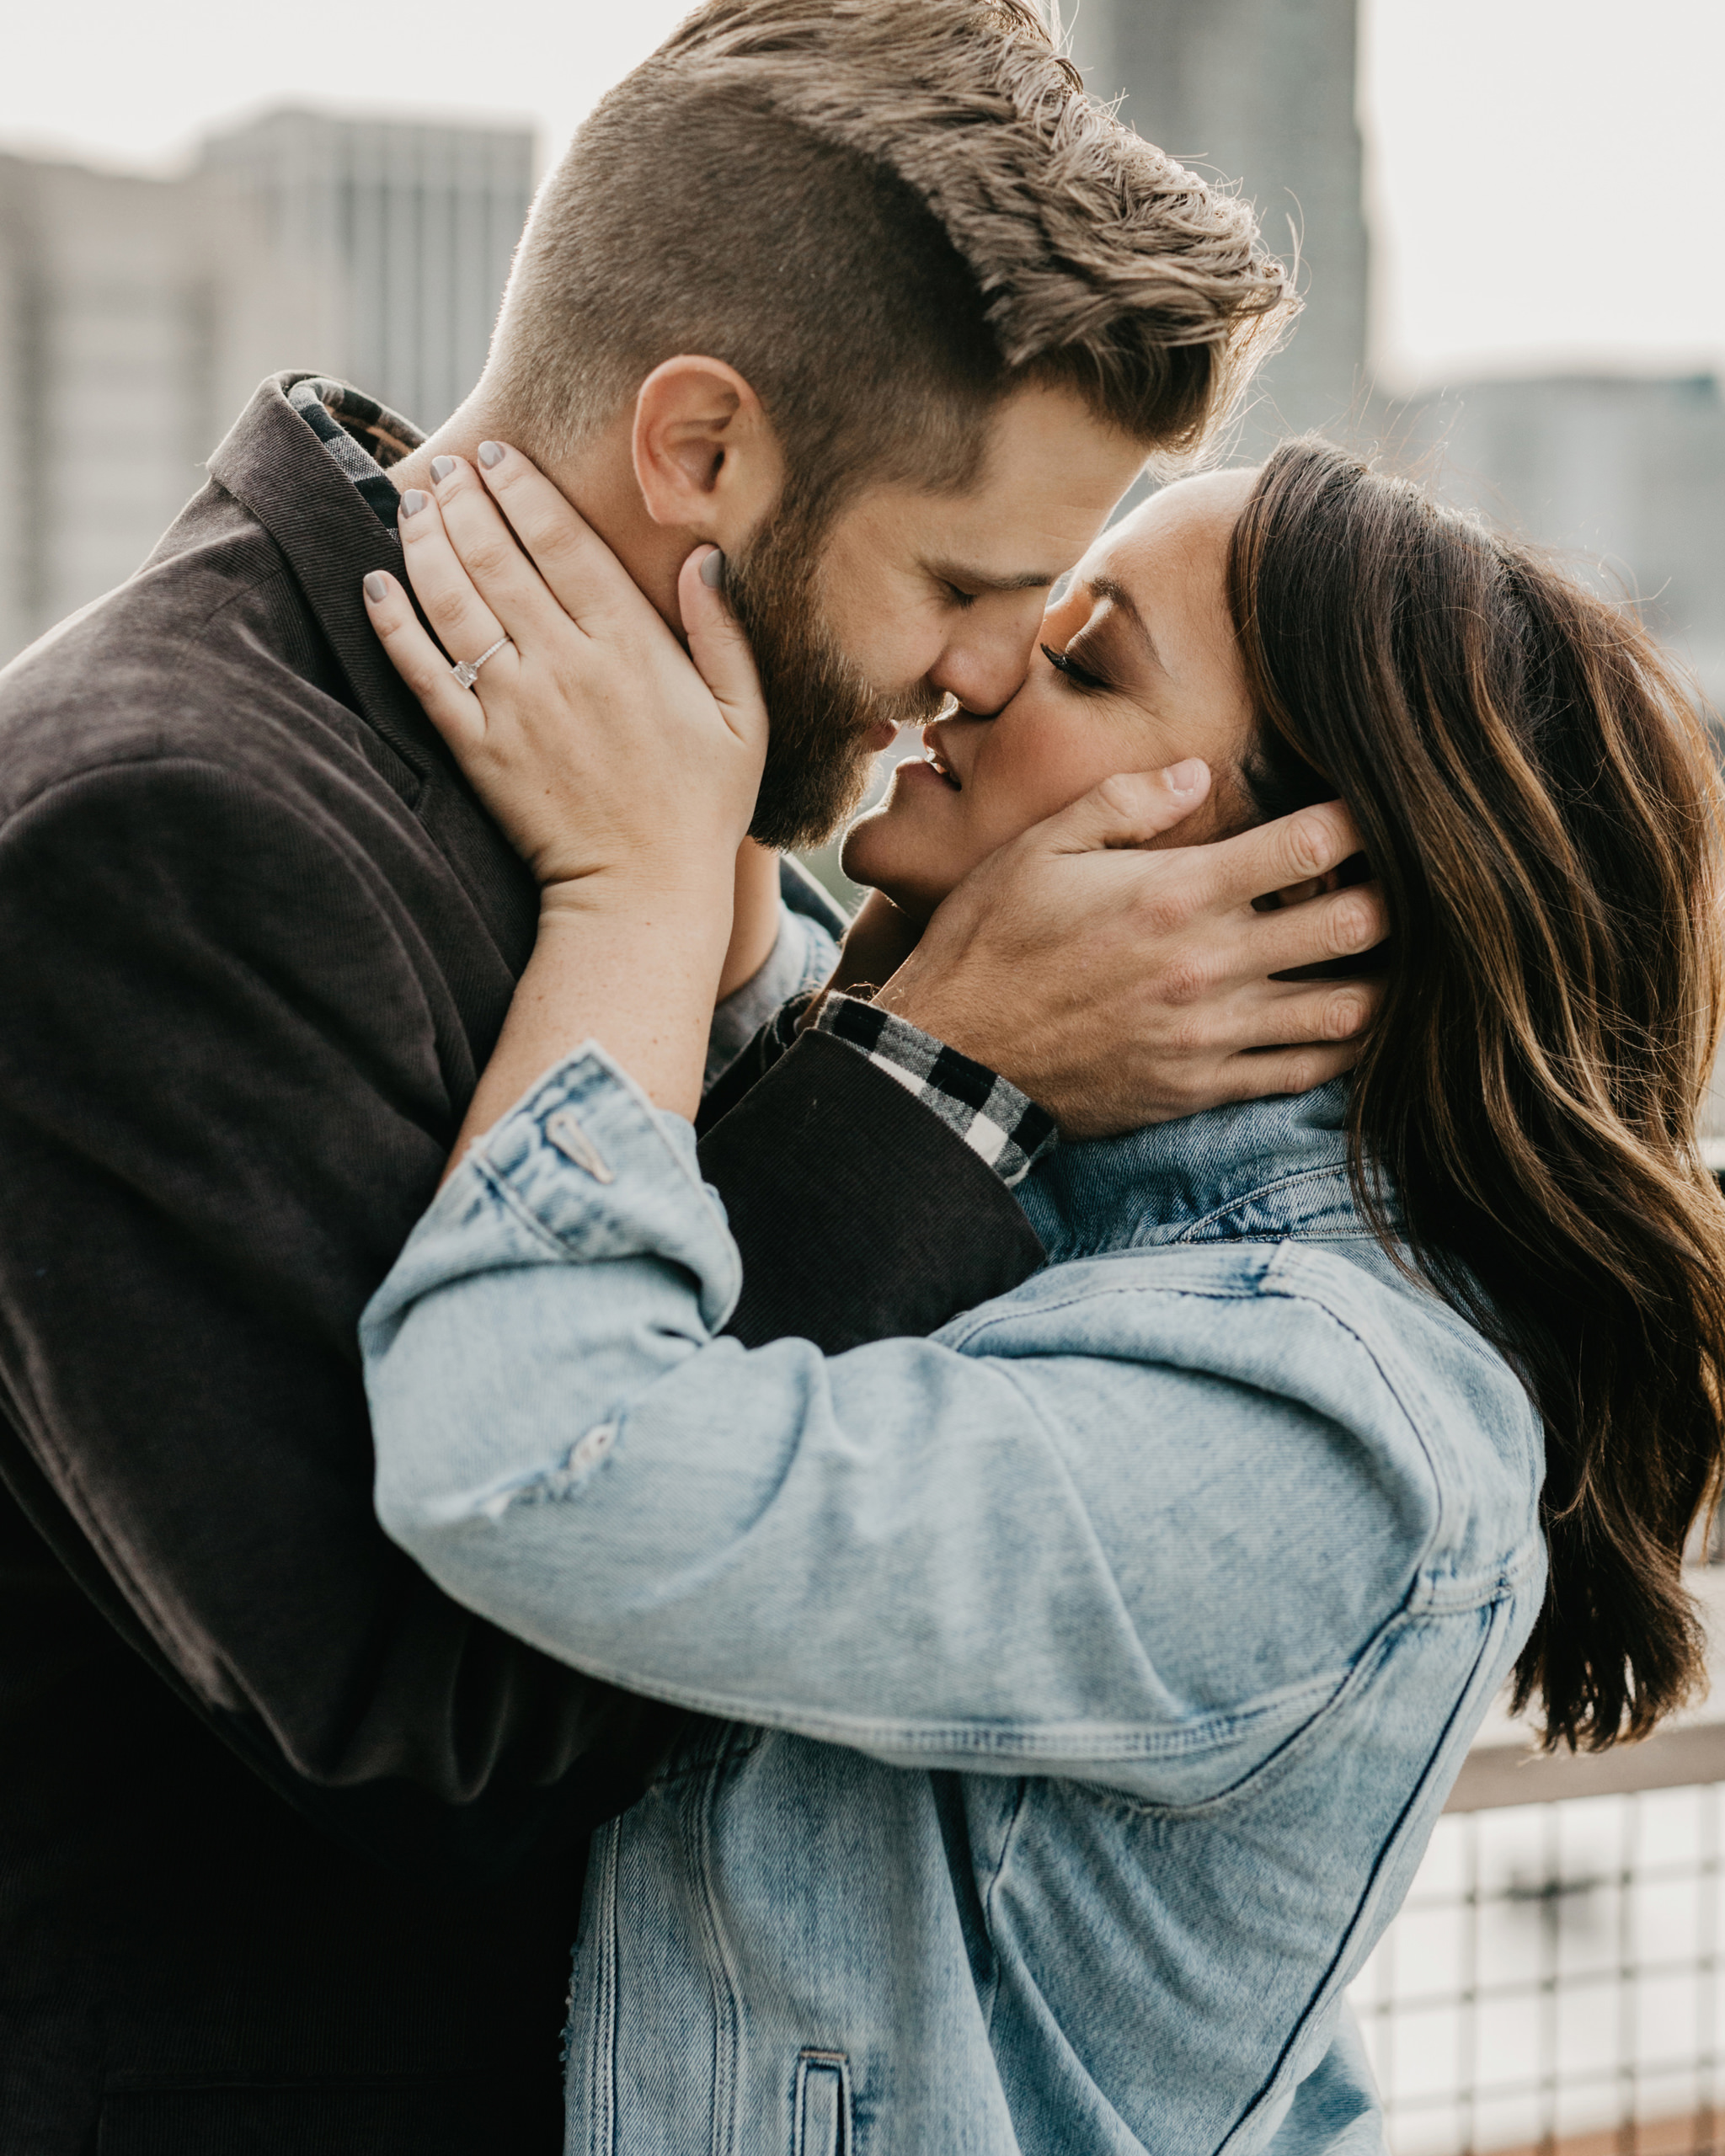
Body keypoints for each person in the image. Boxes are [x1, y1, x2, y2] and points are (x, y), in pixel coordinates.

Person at [0, 5, 1386, 2150]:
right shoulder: (165, 827)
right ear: (705, 452)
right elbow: (439, 1726)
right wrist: (941, 1074)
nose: (996, 670)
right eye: (966, 581)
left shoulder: (679, 811)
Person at [360, 435, 1725, 2154]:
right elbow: (892, 1157)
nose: (986, 666)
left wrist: (632, 892)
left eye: (1081, 662)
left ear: (1287, 889)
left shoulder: (1320, 1428)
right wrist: (716, 863)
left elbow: (535, 1448)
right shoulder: (1105, 1170)